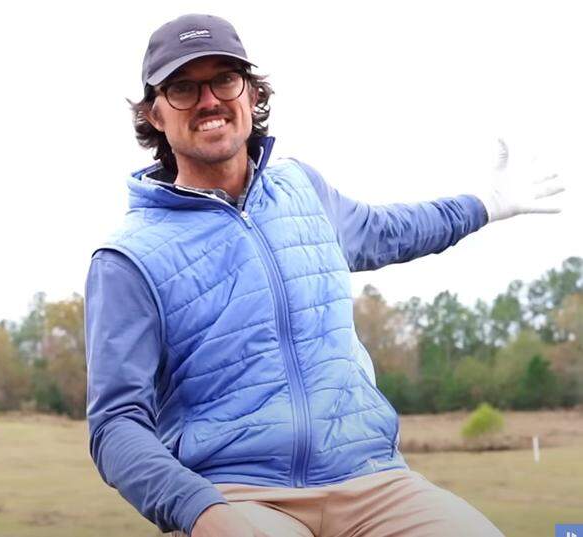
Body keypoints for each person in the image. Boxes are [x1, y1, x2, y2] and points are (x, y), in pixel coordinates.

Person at [85, 14, 564, 537]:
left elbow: (390, 231)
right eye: (183, 88)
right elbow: (116, 424)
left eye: (225, 79)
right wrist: (201, 511)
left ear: (251, 92)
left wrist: (486, 204)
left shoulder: (303, 190)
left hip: (373, 481)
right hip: (238, 494)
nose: (209, 100)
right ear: (154, 113)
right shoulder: (126, 259)